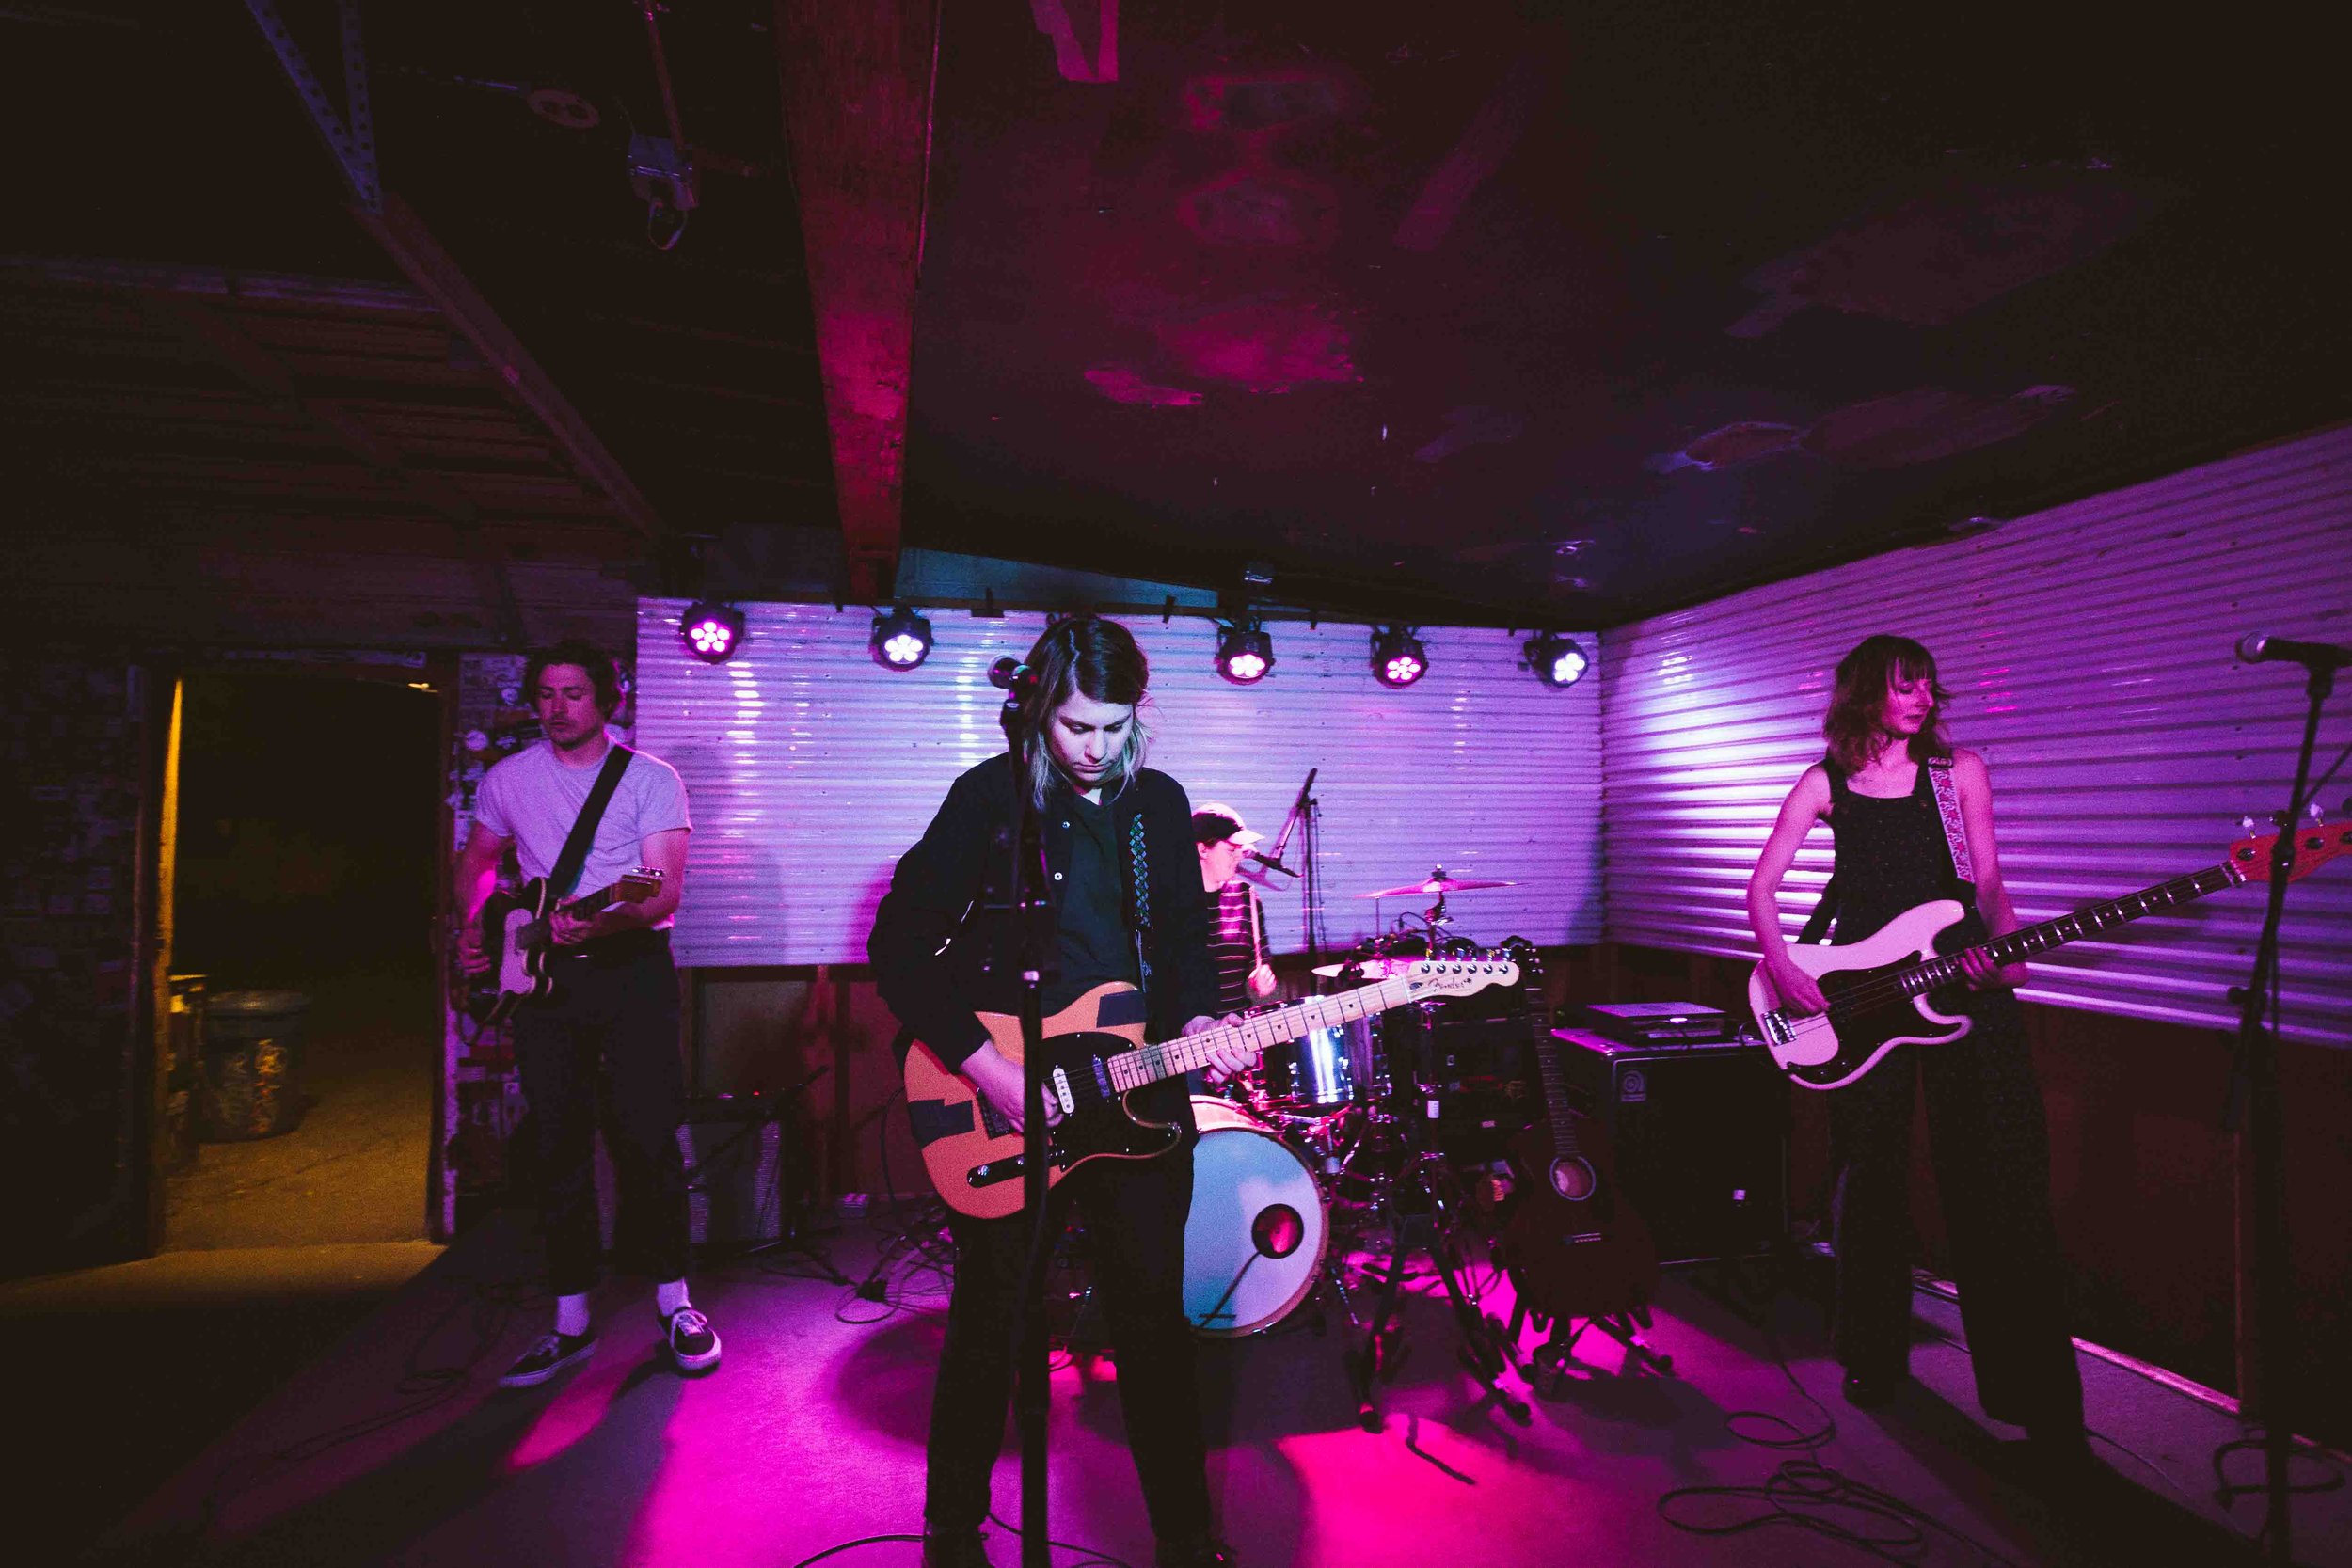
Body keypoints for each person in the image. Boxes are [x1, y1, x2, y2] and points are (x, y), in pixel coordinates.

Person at [870, 614, 1253, 1568]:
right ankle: (951, 1532)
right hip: (1011, 1089)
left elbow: (1183, 945)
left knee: (1153, 1323)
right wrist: (988, 1068)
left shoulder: (1159, 804)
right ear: (1040, 708)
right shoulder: (989, 799)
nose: (1097, 747)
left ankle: (1184, 1537)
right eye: (1078, 725)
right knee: (991, 1319)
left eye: (1116, 727)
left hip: (1138, 1094)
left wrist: (1198, 1019)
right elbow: (898, 946)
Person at [1745, 634, 2085, 1462]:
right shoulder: (1824, 782)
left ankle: (2035, 1397)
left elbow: (1990, 884)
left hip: (1962, 980)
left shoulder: (1958, 771)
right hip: (1865, 997)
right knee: (1870, 1177)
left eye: (1930, 684)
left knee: (2001, 1180)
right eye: (1907, 685)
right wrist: (1784, 966)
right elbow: (1762, 886)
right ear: (1867, 692)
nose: (1925, 697)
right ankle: (1871, 1356)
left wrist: (2006, 952)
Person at [454, 640, 716, 1387]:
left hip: (631, 966)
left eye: (573, 692)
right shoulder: (509, 778)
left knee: (648, 1134)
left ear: (607, 699)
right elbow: (478, 861)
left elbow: (660, 889)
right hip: (545, 978)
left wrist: (597, 923)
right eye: (545, 693)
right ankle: (570, 1318)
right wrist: (473, 926)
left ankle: (674, 1301)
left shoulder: (650, 779)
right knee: (557, 1142)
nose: (557, 707)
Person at [1193, 801, 1279, 1014]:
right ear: (1202, 849)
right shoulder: (1174, 902)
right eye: (1231, 849)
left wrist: (1261, 977)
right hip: (1190, 1030)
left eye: (1240, 849)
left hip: (1237, 1025)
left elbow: (1259, 961)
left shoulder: (1247, 896)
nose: (1239, 856)